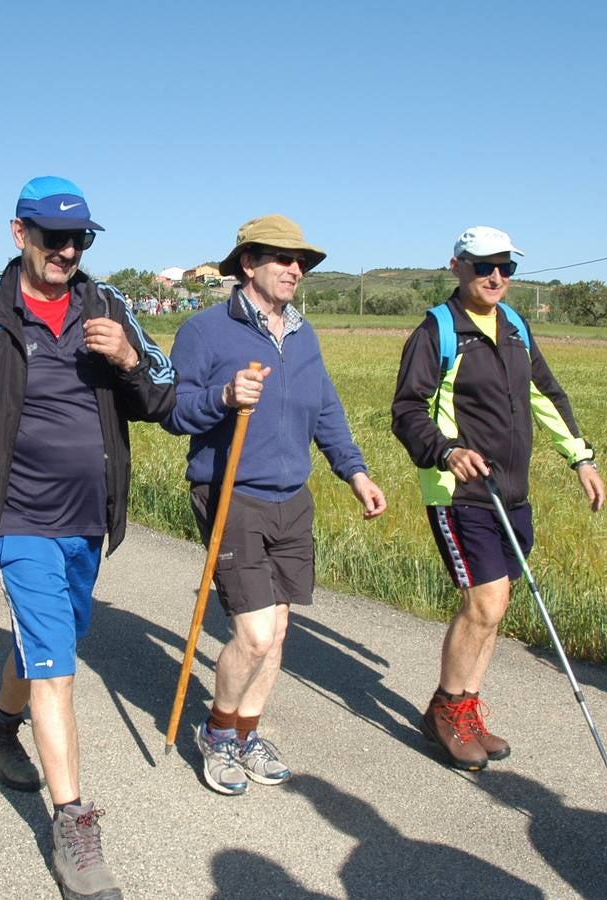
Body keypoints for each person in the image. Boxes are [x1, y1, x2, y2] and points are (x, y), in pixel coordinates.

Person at [0, 176, 175, 898]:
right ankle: (74, 828)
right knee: (57, 668)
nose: (64, 250)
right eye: (50, 235)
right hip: (18, 515)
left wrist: (126, 357)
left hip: (89, 517)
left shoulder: (109, 306)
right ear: (18, 232)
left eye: (77, 238)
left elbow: (164, 390)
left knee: (48, 642)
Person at [164, 215, 387, 796]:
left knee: (280, 629)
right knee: (256, 633)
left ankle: (245, 733)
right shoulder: (205, 331)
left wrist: (355, 472)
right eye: (282, 259)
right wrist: (224, 396)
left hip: (293, 496)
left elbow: (326, 410)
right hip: (232, 491)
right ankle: (215, 734)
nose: (295, 269)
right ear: (248, 264)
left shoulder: (303, 334)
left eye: (302, 262)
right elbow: (173, 411)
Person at [391, 226, 606, 771]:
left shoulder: (513, 325)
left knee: (496, 607)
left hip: (513, 492)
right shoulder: (437, 330)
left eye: (505, 268)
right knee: (483, 603)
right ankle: (445, 713)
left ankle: (465, 707)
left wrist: (580, 458)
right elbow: (407, 410)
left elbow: (545, 394)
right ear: (457, 266)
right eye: (484, 266)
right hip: (459, 492)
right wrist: (446, 452)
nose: (496, 277)